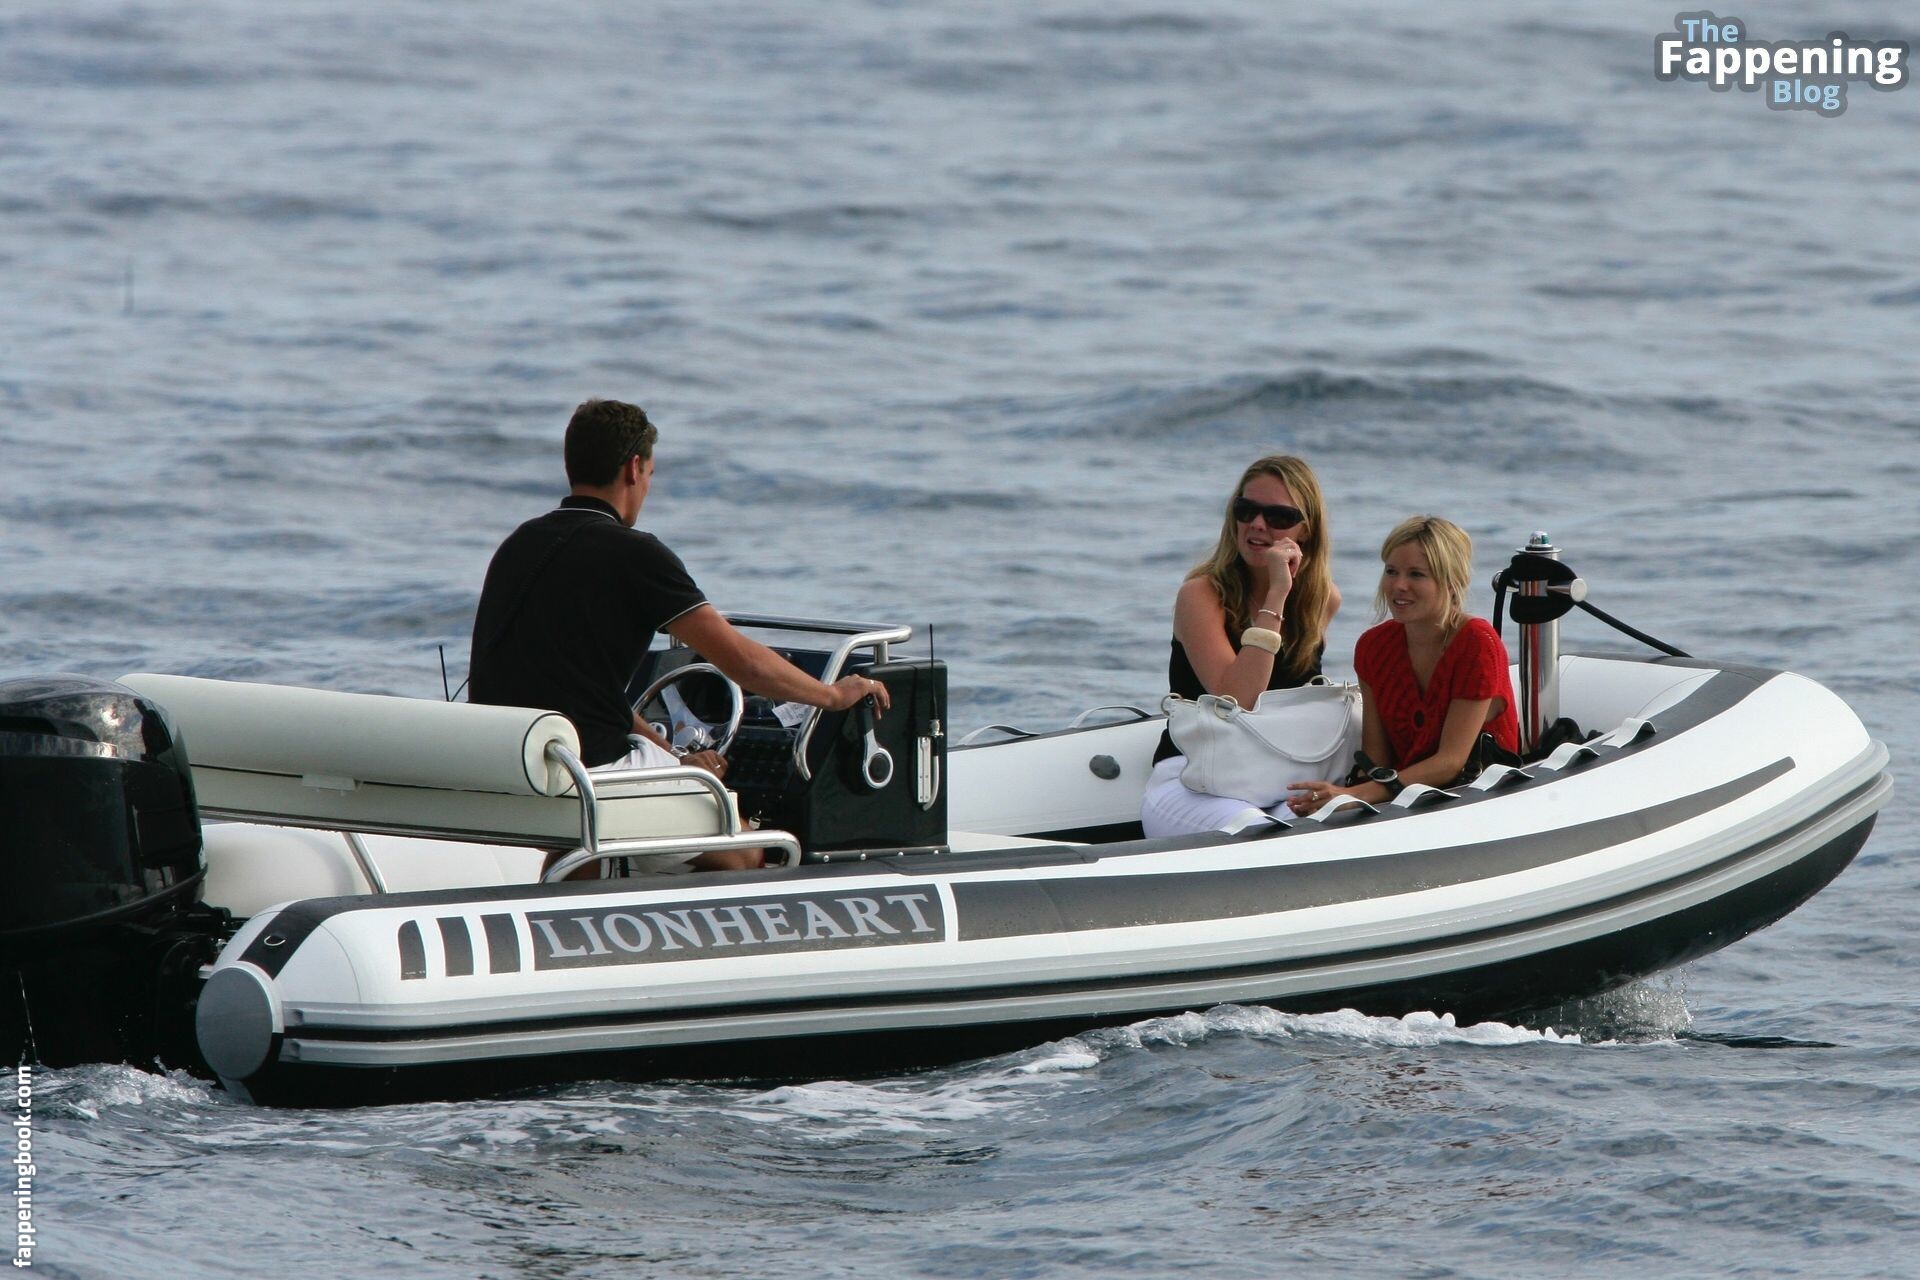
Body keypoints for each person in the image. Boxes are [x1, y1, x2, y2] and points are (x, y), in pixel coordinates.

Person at [469, 397, 888, 871]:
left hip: (512, 764)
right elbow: (742, 662)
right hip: (584, 772)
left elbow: (576, 691)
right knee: (745, 851)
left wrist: (671, 756)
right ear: (634, 468)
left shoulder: (518, 546)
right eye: (650, 473)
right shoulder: (635, 555)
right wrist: (832, 696)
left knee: (635, 806)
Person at [1140, 455, 1342, 838]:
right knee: (1258, 833)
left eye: (1278, 516)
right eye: (1246, 510)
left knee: (1329, 826)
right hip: (1192, 779)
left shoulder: (1321, 600)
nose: (1258, 524)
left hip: (1275, 775)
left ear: (1306, 531)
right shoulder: (1201, 595)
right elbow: (1236, 700)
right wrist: (1278, 594)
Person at [1287, 515, 1517, 817]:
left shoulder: (1476, 642)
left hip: (1480, 796)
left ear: (1452, 582)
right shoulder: (1373, 646)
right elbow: (1376, 758)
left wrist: (1353, 795)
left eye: (1416, 574)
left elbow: (1450, 762)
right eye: (1391, 571)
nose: (1398, 585)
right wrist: (1335, 801)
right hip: (1404, 799)